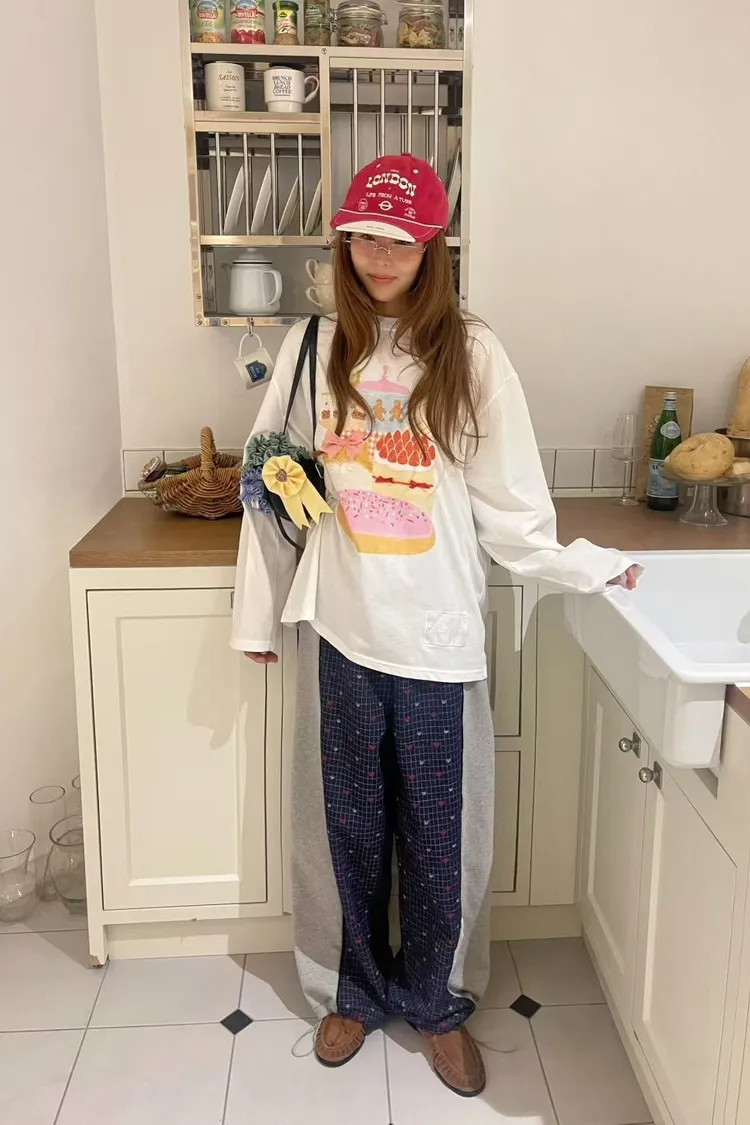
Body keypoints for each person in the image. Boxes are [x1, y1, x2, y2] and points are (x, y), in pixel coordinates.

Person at [231, 154, 639, 1097]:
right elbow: (272, 488)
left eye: (402, 240)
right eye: (366, 237)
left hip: (439, 636)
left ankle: (438, 1001)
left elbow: (514, 507)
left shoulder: (473, 352)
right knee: (343, 828)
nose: (382, 256)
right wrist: (259, 615)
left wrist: (585, 563)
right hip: (338, 628)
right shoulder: (311, 348)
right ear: (344, 240)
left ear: (432, 249)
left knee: (441, 834)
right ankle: (351, 991)